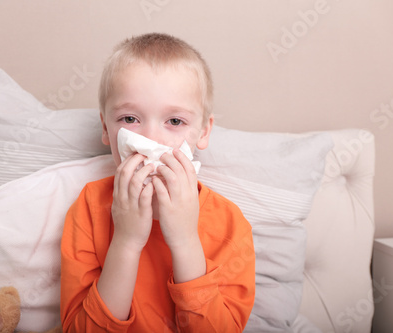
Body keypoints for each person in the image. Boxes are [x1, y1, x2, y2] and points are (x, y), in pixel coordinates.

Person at [60, 32, 255, 332]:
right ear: (105, 127)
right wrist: (126, 241)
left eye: (174, 121)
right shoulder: (88, 208)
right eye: (129, 119)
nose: (150, 139)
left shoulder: (229, 224)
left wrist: (185, 240)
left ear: (203, 132)